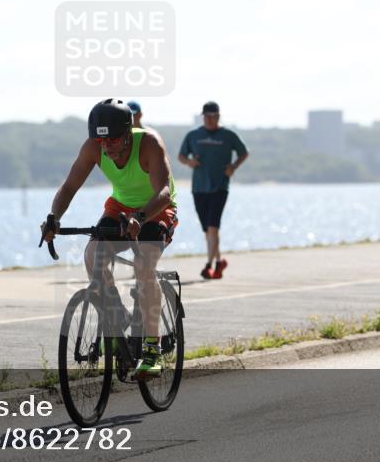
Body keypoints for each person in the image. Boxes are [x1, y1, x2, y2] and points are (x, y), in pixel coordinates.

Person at [41, 99, 178, 378]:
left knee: (144, 266)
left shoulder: (149, 143)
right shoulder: (94, 147)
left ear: (128, 133)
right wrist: (54, 218)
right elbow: (69, 187)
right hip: (120, 207)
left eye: (113, 139)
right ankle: (118, 317)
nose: (107, 146)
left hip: (156, 208)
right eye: (101, 140)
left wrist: (140, 218)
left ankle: (152, 349)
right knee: (93, 256)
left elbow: (164, 190)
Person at [178, 101, 249, 280]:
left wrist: (233, 166)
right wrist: (189, 162)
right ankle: (220, 261)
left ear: (218, 116)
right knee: (208, 230)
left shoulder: (228, 135)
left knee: (213, 227)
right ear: (203, 117)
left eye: (213, 116)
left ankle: (209, 266)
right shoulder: (194, 135)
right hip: (199, 188)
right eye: (206, 116)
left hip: (220, 187)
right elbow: (181, 156)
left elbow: (244, 152)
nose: (209, 119)